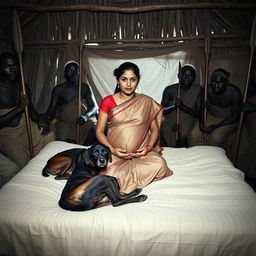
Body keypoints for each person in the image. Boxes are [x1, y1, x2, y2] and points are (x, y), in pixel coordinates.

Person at [96, 62, 172, 194]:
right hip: (114, 154)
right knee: (105, 172)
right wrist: (112, 150)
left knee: (160, 165)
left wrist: (148, 149)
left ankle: (128, 181)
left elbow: (154, 130)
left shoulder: (146, 101)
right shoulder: (108, 101)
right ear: (117, 81)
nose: (129, 84)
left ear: (138, 81)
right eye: (124, 79)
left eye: (133, 79)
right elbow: (99, 131)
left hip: (140, 156)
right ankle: (130, 180)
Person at [0, 52, 55, 168]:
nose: (12, 69)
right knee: (23, 163)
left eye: (14, 65)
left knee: (49, 137)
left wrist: (40, 119)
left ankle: (46, 171)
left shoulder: (23, 87)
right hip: (8, 135)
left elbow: (31, 111)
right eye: (8, 66)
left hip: (26, 127)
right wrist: (18, 108)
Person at [40, 61, 98, 145]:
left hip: (83, 122)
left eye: (76, 71)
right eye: (70, 71)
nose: (73, 73)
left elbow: (95, 107)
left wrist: (86, 116)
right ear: (65, 73)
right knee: (62, 144)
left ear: (79, 72)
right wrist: (45, 119)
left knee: (96, 130)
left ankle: (83, 149)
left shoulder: (85, 87)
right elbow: (51, 109)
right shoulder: (58, 90)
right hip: (65, 124)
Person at [188, 68, 242, 157]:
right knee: (193, 135)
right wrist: (201, 122)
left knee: (215, 138)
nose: (216, 85)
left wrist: (215, 126)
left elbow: (235, 116)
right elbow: (200, 109)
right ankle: (196, 158)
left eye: (220, 83)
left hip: (227, 119)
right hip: (210, 115)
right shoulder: (207, 89)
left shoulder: (234, 92)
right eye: (214, 82)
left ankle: (211, 160)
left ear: (226, 83)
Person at [160, 64, 202, 147]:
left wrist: (183, 107)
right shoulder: (169, 89)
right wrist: (174, 107)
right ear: (179, 76)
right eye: (184, 75)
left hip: (187, 118)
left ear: (194, 78)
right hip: (169, 119)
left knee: (183, 135)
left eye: (190, 76)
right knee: (161, 131)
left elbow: (198, 113)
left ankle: (181, 155)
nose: (187, 78)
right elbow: (161, 110)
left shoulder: (198, 89)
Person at [236, 64, 256, 178]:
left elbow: (250, 106)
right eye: (253, 73)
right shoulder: (250, 89)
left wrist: (252, 107)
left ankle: (251, 175)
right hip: (248, 124)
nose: (254, 76)